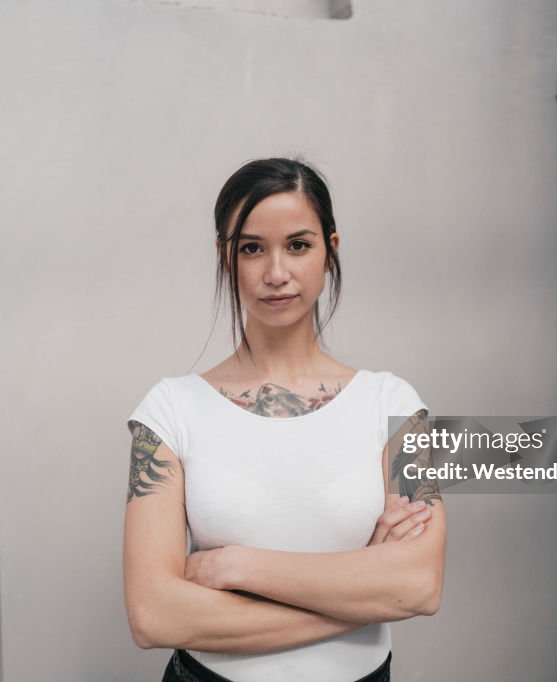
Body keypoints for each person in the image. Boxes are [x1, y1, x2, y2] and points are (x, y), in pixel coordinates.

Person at [124, 157, 446, 682]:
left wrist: (240, 567)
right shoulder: (168, 410)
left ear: (329, 252)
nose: (276, 273)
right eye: (252, 248)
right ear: (225, 259)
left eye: (298, 245)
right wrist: (362, 592)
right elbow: (153, 614)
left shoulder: (394, 404)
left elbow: (420, 585)